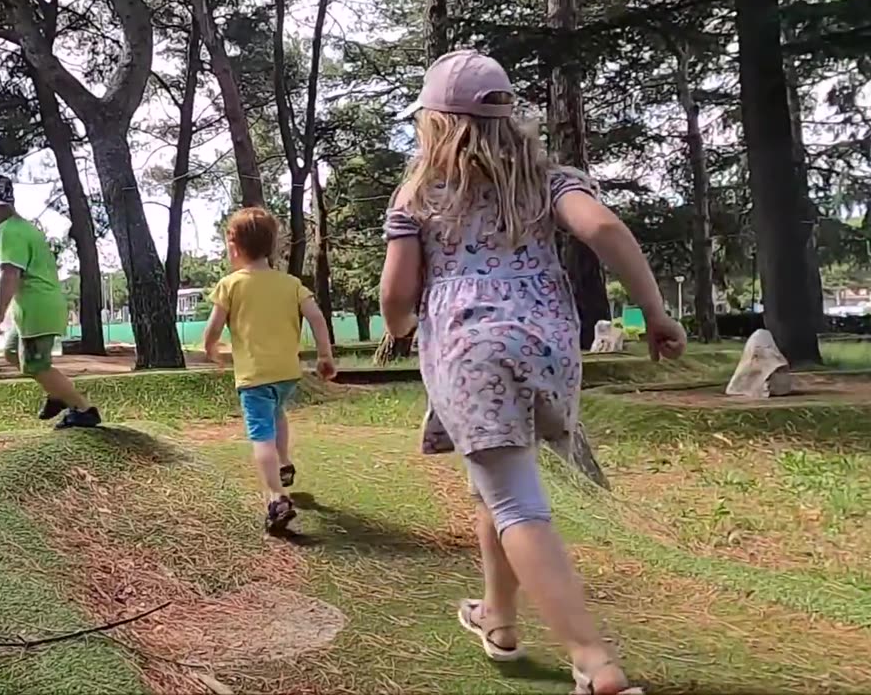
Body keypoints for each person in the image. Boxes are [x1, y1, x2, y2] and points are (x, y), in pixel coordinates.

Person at [380, 51, 685, 695]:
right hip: (548, 344)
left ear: (435, 124)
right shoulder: (551, 179)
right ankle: (498, 617)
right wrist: (654, 312)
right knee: (496, 480)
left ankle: (593, 660)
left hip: (469, 352)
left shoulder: (417, 195)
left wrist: (404, 327)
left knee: (517, 499)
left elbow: (396, 292)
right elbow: (601, 226)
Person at [203, 207, 337, 534]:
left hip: (254, 376)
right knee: (277, 414)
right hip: (287, 372)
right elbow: (317, 317)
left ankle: (277, 497)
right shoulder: (291, 284)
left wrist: (211, 350)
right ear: (273, 247)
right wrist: (324, 354)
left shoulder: (230, 285)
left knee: (260, 434)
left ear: (233, 247)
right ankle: (285, 461)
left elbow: (213, 329)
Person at [0, 173, 101, 429]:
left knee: (36, 365)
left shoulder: (9, 232)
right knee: (11, 353)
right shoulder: (21, 227)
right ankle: (57, 394)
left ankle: (84, 410)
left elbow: (10, 275)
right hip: (33, 311)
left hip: (38, 310)